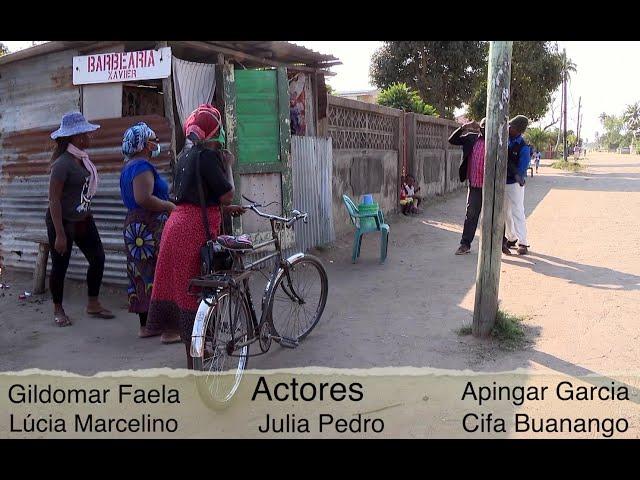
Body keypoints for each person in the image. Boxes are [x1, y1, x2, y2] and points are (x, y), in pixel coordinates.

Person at [146, 104, 246, 368]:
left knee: (182, 293)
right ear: (215, 131)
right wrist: (228, 167)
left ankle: (195, 361)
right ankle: (199, 366)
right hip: (193, 231)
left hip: (175, 226)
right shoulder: (210, 157)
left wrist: (225, 208)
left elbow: (197, 195)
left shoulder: (185, 156)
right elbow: (226, 194)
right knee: (197, 295)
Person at [46, 112, 114, 327]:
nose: (89, 137)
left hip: (83, 218)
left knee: (98, 258)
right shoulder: (62, 164)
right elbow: (54, 200)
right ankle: (58, 309)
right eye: (85, 134)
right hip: (62, 221)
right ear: (75, 137)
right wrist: (59, 234)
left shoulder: (83, 159)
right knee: (60, 266)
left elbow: (83, 192)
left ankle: (93, 303)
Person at [119, 122, 179, 342]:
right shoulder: (142, 167)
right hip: (149, 227)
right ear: (144, 144)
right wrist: (169, 207)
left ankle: (147, 327)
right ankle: (169, 330)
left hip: (136, 227)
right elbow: (144, 198)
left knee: (141, 274)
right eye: (153, 139)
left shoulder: (128, 166)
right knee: (161, 272)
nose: (156, 143)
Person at [448, 117, 486, 255]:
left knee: (495, 216)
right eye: (484, 127)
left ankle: (500, 244)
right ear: (480, 128)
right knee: (471, 215)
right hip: (475, 185)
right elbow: (452, 140)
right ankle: (465, 244)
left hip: (491, 187)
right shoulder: (471, 138)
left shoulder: (497, 142)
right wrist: (464, 126)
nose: (486, 130)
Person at [503, 115, 532, 256]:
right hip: (503, 182)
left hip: (514, 184)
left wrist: (517, 175)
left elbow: (521, 170)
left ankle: (523, 242)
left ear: (518, 130)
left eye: (512, 127)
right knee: (505, 213)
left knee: (517, 212)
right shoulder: (505, 140)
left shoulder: (523, 147)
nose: (509, 128)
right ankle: (511, 237)